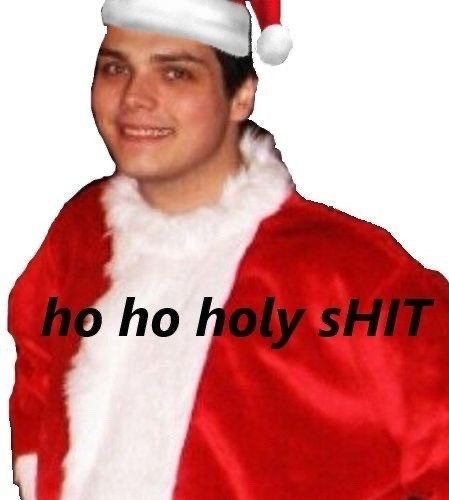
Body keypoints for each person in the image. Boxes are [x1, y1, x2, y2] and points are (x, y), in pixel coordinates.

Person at [8, 1, 449, 499]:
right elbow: (37, 351)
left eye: (175, 73)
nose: (134, 98)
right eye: (115, 68)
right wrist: (36, 468)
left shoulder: (353, 275)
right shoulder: (83, 229)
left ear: (241, 96)